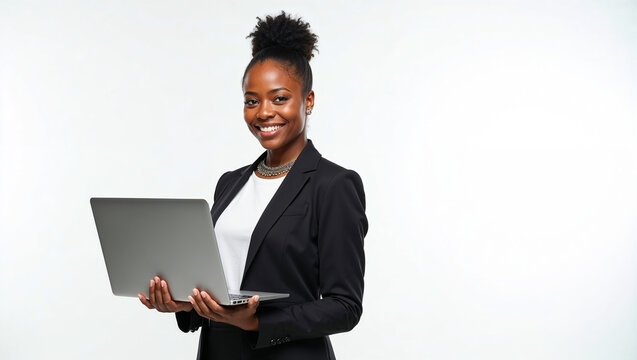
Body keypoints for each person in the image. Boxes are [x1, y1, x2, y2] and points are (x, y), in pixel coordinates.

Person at [137, 11, 368, 359]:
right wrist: (184, 303)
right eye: (251, 100)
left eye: (279, 98)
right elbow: (220, 283)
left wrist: (257, 323)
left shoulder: (333, 185)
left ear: (308, 101)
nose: (263, 112)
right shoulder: (230, 184)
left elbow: (345, 306)